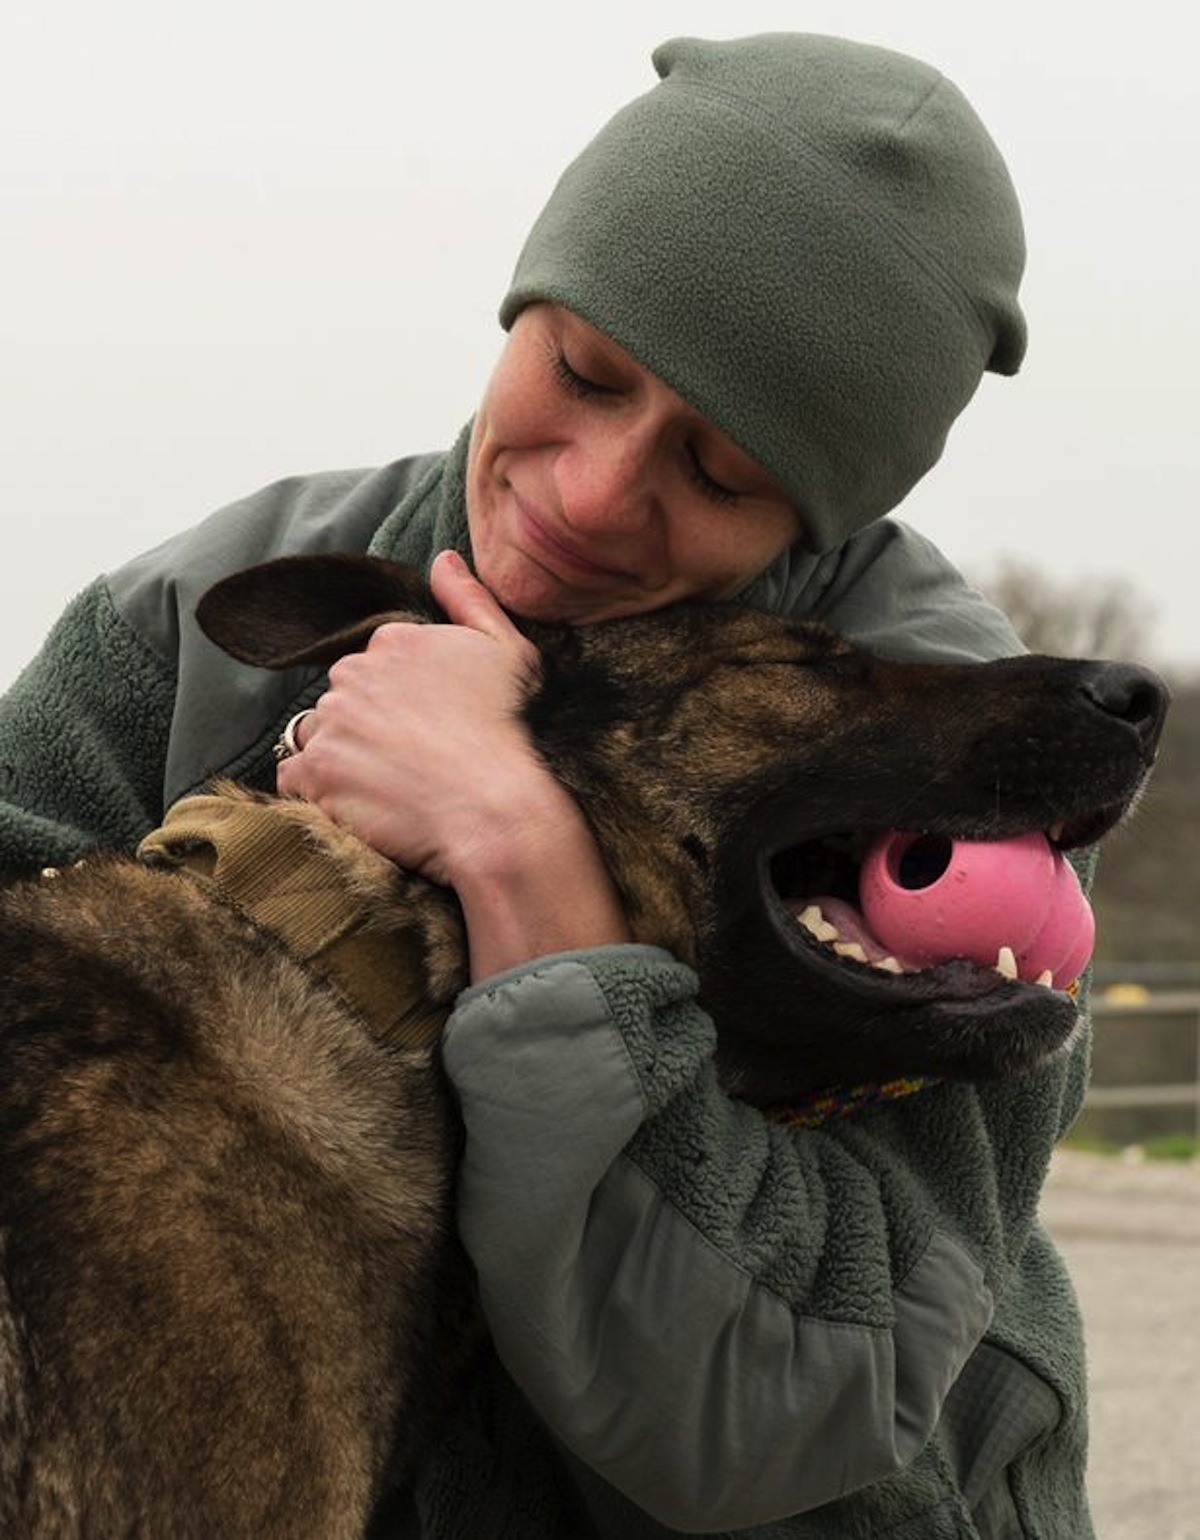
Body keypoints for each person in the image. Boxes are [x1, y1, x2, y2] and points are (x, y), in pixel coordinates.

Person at [0, 32, 1096, 1540]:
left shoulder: (951, 767)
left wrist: (525, 867)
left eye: (717, 473)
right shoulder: (190, 617)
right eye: (581, 372)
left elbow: (780, 1408)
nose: (588, 494)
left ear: (819, 515)